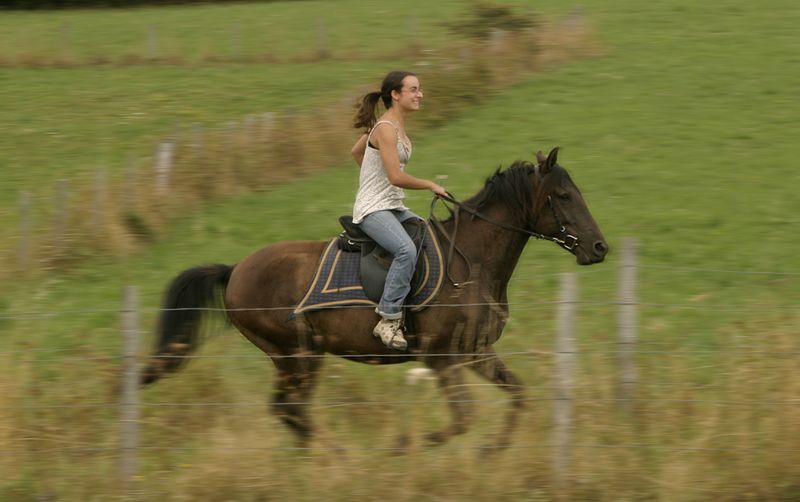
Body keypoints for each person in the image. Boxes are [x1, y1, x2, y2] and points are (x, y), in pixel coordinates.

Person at [350, 70, 447, 351]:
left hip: (392, 205)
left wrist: (372, 177)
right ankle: (388, 318)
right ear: (395, 94)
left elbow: (358, 153)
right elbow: (395, 176)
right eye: (413, 89)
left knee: (429, 235)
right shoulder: (386, 129)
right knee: (406, 250)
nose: (420, 94)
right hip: (373, 209)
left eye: (419, 89)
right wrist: (430, 184)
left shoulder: (390, 126)